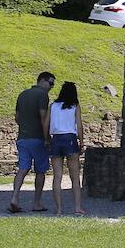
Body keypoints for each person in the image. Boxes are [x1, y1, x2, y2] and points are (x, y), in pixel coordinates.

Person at [9, 71, 54, 214]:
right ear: (42, 80)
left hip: (22, 137)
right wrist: (47, 137)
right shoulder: (42, 95)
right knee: (40, 171)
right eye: (50, 83)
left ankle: (15, 197)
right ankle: (37, 202)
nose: (51, 86)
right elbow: (43, 117)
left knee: (22, 168)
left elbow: (17, 117)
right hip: (38, 138)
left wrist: (25, 126)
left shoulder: (22, 94)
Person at [47, 81, 87, 216]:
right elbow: (79, 126)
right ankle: (77, 207)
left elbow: (46, 124)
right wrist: (81, 142)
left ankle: (58, 209)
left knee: (57, 176)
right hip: (70, 138)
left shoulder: (53, 106)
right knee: (74, 176)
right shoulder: (75, 106)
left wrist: (47, 138)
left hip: (56, 139)